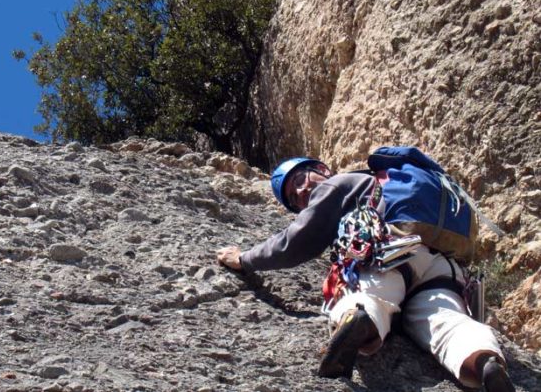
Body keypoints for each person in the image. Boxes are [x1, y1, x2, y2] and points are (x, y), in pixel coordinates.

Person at [216, 156, 515, 392]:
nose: (301, 192)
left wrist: (245, 258)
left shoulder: (338, 184)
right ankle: (483, 360)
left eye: (299, 180)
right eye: (295, 200)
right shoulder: (384, 185)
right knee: (448, 322)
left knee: (369, 298)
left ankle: (360, 318)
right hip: (443, 267)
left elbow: (295, 243)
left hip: (390, 252)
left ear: (321, 169)